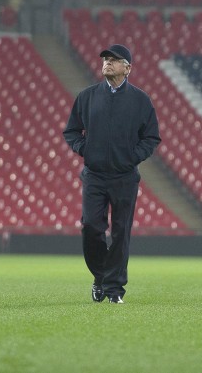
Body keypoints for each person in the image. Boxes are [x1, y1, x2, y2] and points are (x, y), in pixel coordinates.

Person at [63, 43, 161, 304]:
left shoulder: (141, 101)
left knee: (121, 233)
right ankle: (100, 277)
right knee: (91, 227)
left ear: (127, 68)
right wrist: (86, 149)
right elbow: (71, 131)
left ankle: (114, 289)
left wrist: (132, 157)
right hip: (94, 175)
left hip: (125, 177)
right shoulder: (87, 97)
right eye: (105, 59)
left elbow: (151, 137)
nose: (106, 62)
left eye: (114, 59)